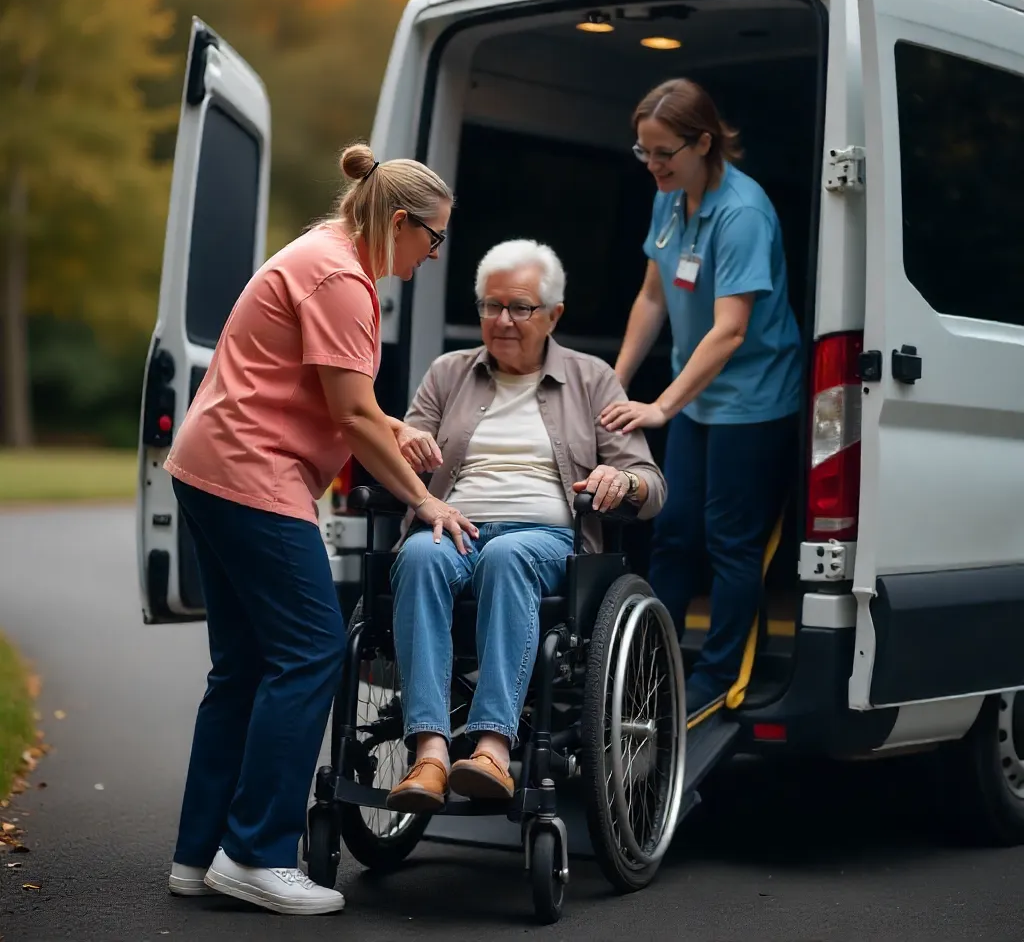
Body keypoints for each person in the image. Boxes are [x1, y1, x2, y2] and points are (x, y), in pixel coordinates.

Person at [163, 144, 477, 915]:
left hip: (210, 464)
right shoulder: (344, 279)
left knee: (242, 668)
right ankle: (259, 854)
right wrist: (424, 501)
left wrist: (393, 427)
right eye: (432, 241)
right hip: (252, 475)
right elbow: (346, 414)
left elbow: (344, 403)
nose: (430, 257)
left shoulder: (323, 254)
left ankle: (199, 854)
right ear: (400, 222)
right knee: (308, 651)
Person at [381, 239, 667, 812]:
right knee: (416, 556)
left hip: (545, 539)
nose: (503, 321)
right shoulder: (447, 374)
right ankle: (431, 753)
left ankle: (491, 747)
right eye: (491, 307)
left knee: (506, 556)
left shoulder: (593, 381)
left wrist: (623, 482)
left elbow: (651, 485)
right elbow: (397, 458)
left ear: (554, 315)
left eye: (520, 308)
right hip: (454, 524)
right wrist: (402, 448)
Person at [600, 78, 802, 716]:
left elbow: (731, 329)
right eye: (644, 152)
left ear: (704, 142)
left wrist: (660, 406)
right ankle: (651, 667)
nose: (653, 165)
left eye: (664, 152)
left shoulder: (742, 212)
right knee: (674, 530)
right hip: (698, 399)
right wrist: (616, 378)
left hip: (754, 400)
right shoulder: (670, 199)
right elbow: (653, 296)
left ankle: (717, 680)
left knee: (728, 539)